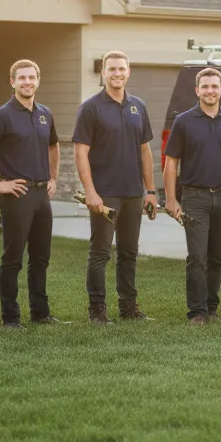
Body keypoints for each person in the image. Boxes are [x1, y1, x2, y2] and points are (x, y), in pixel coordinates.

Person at [0, 59, 62, 330]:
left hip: (42, 195)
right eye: (21, 78)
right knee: (13, 259)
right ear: (12, 82)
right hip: (17, 196)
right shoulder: (2, 115)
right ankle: (10, 318)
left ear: (38, 80)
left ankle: (40, 313)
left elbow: (54, 146)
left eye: (31, 77)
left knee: (41, 257)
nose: (27, 82)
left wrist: (53, 178)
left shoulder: (45, 112)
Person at [72, 50, 157, 324]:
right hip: (105, 192)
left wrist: (151, 191)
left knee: (129, 252)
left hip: (133, 192)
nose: (117, 73)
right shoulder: (91, 107)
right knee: (100, 252)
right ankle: (97, 310)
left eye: (121, 69)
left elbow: (146, 151)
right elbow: (80, 152)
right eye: (112, 69)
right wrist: (91, 192)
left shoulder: (138, 106)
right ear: (103, 73)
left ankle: (128, 307)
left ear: (128, 72)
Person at [163, 67, 221, 326]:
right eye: (205, 86)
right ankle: (197, 312)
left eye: (215, 86)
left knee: (216, 257)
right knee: (197, 257)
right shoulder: (184, 121)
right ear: (197, 90)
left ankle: (212, 308)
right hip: (194, 198)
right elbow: (171, 162)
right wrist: (170, 199)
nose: (210, 91)